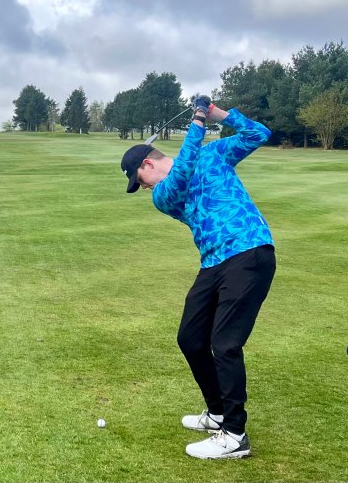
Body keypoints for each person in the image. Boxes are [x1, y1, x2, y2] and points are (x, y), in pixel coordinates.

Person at [120, 96, 275, 460]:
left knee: (224, 344)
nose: (140, 187)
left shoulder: (214, 154)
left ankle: (234, 434)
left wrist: (219, 115)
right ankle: (217, 412)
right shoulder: (162, 194)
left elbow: (260, 133)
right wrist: (199, 121)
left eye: (137, 179)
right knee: (190, 338)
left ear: (147, 163)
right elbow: (184, 169)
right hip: (214, 263)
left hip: (249, 250)